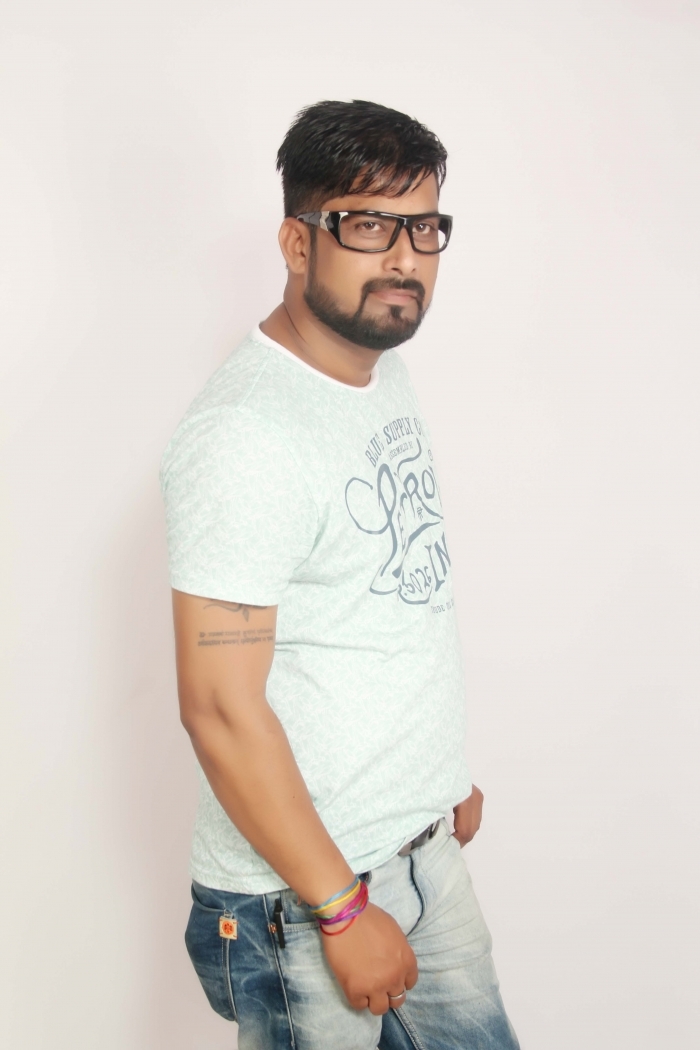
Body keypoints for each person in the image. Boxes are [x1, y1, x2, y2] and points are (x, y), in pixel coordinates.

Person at [161, 99, 519, 1050]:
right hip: (306, 897)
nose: (404, 258)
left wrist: (431, 779)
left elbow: (377, 596)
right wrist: (342, 909)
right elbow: (218, 706)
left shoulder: (373, 365)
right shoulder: (244, 436)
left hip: (416, 850)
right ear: (297, 241)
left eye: (424, 228)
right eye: (367, 226)